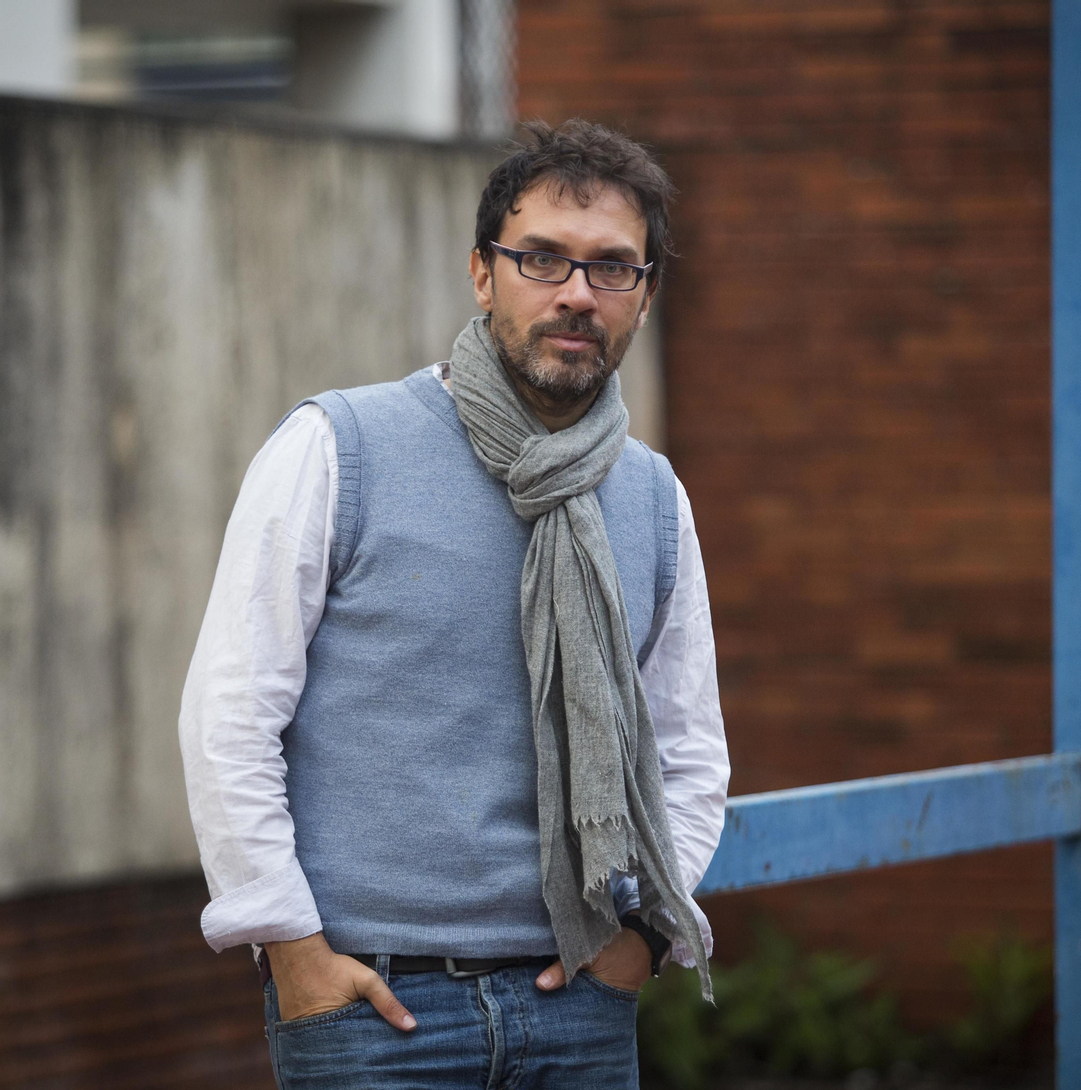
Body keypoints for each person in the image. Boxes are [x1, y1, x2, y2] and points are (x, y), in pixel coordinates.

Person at [178, 118, 729, 1090]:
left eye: (612, 267)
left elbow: (688, 748)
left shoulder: (652, 497)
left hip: (581, 1004)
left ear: (644, 296)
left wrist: (642, 938)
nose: (575, 293)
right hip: (375, 1013)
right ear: (482, 273)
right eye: (541, 258)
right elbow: (229, 714)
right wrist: (291, 948)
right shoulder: (339, 446)